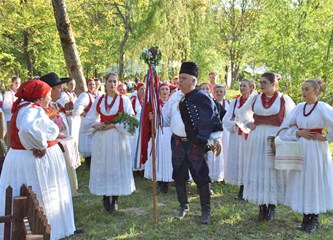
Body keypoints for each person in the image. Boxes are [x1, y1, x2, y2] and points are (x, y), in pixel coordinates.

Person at [0, 80, 75, 240]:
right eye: (48, 95)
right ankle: (45, 231)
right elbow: (27, 130)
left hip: (20, 158)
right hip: (30, 161)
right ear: (40, 97)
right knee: (40, 195)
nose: (49, 98)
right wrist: (40, 144)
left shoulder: (24, 107)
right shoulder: (32, 110)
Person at [162, 62, 222, 224]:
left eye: (183, 78)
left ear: (193, 81)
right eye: (179, 78)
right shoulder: (175, 97)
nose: (179, 81)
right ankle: (183, 206)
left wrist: (202, 138)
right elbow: (166, 118)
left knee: (201, 176)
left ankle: (206, 211)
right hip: (177, 143)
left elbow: (210, 119)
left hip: (195, 143)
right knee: (179, 174)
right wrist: (155, 117)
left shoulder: (202, 98)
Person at [237, 72, 295, 221]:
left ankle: (272, 205)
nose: (261, 85)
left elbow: (292, 119)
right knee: (259, 167)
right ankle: (262, 206)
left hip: (274, 136)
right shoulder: (255, 97)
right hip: (257, 136)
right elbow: (240, 112)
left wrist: (283, 134)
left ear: (273, 84)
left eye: (264, 83)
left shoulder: (283, 99)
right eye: (261, 82)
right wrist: (248, 123)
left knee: (272, 169)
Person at [278, 79, 333, 233]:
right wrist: (297, 133)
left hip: (316, 149)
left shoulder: (323, 108)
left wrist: (326, 137)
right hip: (300, 148)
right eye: (302, 89)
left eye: (307, 89)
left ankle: (314, 217)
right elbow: (284, 127)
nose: (303, 92)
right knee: (302, 179)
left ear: (316, 91)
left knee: (313, 180)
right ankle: (305, 217)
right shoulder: (299, 108)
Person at [82, 72, 135, 213]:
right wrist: (95, 125)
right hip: (102, 138)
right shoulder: (99, 100)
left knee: (116, 165)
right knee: (104, 165)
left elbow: (131, 121)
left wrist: (114, 125)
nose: (112, 84)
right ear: (105, 83)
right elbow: (89, 118)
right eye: (110, 81)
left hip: (118, 138)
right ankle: (105, 197)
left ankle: (115, 198)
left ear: (118, 83)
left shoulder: (124, 100)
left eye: (115, 81)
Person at [40, 72, 80, 197]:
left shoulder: (54, 105)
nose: (61, 90)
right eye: (59, 87)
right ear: (50, 90)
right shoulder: (42, 109)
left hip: (61, 146)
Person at [223, 79, 255, 200]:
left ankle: (250, 188)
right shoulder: (235, 101)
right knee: (240, 160)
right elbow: (226, 118)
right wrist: (235, 124)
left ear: (251, 87)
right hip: (237, 135)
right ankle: (242, 188)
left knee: (249, 160)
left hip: (250, 134)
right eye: (241, 86)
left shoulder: (255, 101)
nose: (242, 88)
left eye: (244, 86)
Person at [144, 82, 173, 193]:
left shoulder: (172, 104)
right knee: (159, 157)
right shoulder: (155, 105)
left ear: (169, 91)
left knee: (168, 157)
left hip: (169, 133)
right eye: (162, 89)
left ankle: (168, 179)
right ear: (159, 92)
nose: (165, 91)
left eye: (166, 89)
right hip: (158, 133)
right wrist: (151, 117)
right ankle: (160, 181)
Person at [199, 83, 226, 185]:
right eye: (203, 89)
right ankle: (201, 182)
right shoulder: (194, 102)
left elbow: (224, 115)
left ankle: (208, 183)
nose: (205, 90)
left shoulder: (214, 103)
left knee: (210, 159)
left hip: (212, 135)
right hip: (199, 136)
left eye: (207, 88)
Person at [73, 78, 97, 168]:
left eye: (93, 84)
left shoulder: (94, 95)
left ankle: (93, 161)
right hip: (87, 122)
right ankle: (89, 162)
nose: (92, 86)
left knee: (93, 142)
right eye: (90, 84)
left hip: (94, 122)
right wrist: (84, 113)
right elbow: (77, 107)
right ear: (87, 86)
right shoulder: (85, 95)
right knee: (88, 143)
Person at [130, 82, 145, 174]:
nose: (143, 91)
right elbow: (130, 114)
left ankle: (143, 167)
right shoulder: (134, 100)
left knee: (143, 147)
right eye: (141, 89)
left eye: (144, 89)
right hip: (135, 127)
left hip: (144, 128)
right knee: (135, 147)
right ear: (137, 91)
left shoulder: (147, 100)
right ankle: (135, 167)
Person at [2, 76, 21, 146]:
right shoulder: (9, 93)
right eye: (16, 83)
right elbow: (5, 107)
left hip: (17, 118)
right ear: (12, 83)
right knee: (9, 136)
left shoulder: (20, 94)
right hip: (9, 118)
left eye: (19, 83)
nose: (17, 85)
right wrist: (15, 108)